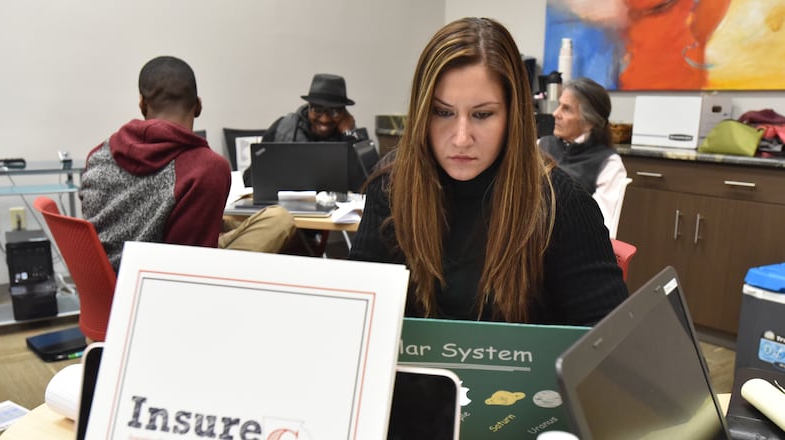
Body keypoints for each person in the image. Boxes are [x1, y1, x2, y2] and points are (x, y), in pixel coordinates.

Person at [348, 17, 628, 325]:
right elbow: (358, 316)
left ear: (513, 115)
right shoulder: (391, 187)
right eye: (442, 112)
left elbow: (606, 343)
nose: (461, 138)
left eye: (482, 114)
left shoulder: (562, 204)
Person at [80, 56, 295, 271]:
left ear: (142, 104)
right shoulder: (206, 168)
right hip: (161, 285)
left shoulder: (99, 155)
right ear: (198, 106)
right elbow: (192, 266)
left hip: (107, 287)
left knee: (271, 218)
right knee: (280, 220)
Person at [242, 73, 368, 188]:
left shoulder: (354, 138)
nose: (324, 119)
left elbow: (367, 184)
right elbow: (250, 178)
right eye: (317, 109)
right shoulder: (283, 128)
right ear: (308, 108)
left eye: (334, 111)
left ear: (344, 113)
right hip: (288, 208)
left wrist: (349, 135)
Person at [538, 77, 628, 231]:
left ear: (589, 122)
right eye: (559, 105)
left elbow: (600, 226)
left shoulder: (608, 163)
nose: (555, 113)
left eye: (566, 109)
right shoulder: (541, 145)